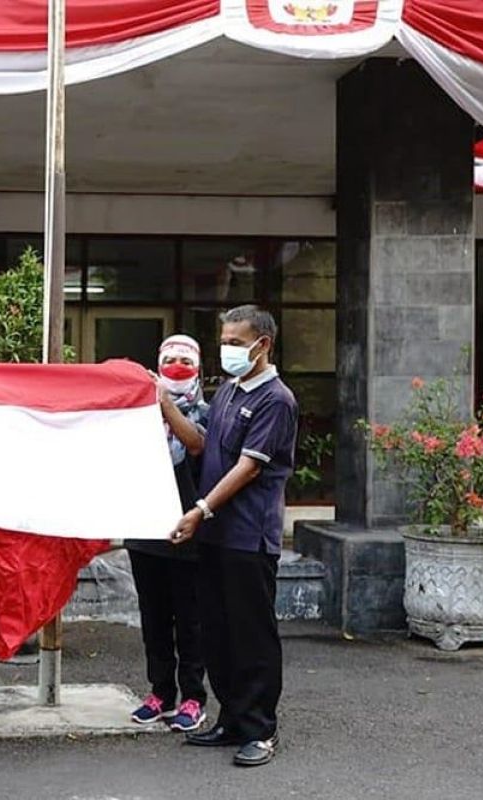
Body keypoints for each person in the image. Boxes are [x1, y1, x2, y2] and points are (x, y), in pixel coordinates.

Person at [171, 305, 298, 768]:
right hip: (215, 535)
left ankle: (261, 729)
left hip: (248, 535)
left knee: (252, 633)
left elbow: (249, 467)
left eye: (236, 342)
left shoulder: (276, 400)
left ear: (262, 345)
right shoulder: (227, 390)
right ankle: (231, 719)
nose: (227, 350)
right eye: (223, 341)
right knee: (217, 630)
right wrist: (164, 403)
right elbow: (202, 445)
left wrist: (201, 509)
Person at [127, 334, 209, 732]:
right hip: (145, 533)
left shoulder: (209, 411)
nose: (177, 365)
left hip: (190, 536)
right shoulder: (136, 415)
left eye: (184, 359)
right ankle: (160, 692)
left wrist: (164, 402)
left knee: (191, 620)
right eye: (169, 359)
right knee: (154, 618)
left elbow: (196, 444)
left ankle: (193, 696)